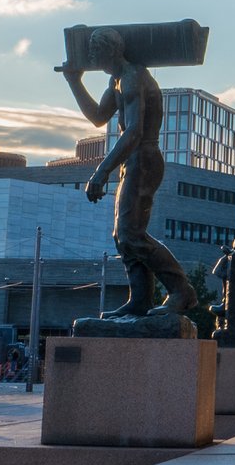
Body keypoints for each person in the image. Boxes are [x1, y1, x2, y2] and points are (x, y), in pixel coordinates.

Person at [63, 29, 197, 315]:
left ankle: (181, 290)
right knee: (122, 235)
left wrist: (101, 171)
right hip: (133, 160)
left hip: (144, 157)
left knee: (130, 234)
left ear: (110, 50)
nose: (91, 58)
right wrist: (74, 82)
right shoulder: (118, 81)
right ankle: (139, 301)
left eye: (95, 52)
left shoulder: (134, 77)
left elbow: (134, 131)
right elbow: (99, 117)